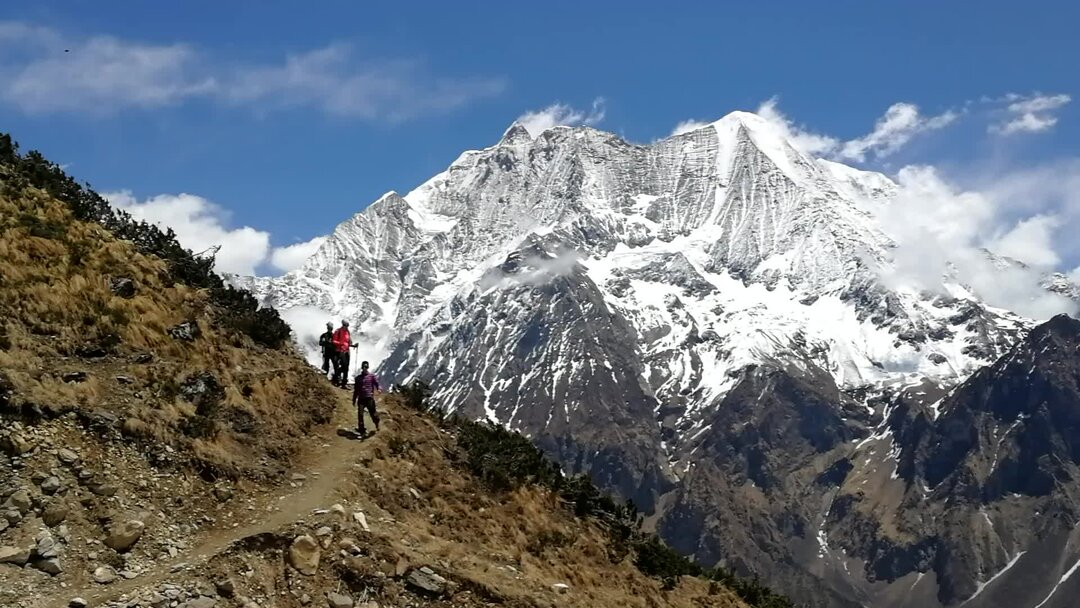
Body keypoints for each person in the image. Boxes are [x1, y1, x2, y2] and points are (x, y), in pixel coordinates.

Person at [352, 360, 381, 436]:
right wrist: (354, 399)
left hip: (369, 398)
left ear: (367, 367)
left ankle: (377, 423)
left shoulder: (371, 377)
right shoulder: (358, 378)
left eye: (366, 367)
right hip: (361, 398)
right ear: (362, 368)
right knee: (360, 414)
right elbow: (356, 390)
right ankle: (361, 430)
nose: (365, 368)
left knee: (373, 413)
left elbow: (376, 383)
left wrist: (379, 388)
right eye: (364, 367)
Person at [331, 320, 356, 388]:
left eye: (347, 325)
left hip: (346, 351)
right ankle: (336, 379)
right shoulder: (338, 331)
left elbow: (349, 342)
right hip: (339, 351)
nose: (346, 327)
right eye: (345, 325)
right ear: (343, 325)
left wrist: (353, 345)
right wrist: (341, 343)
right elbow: (333, 341)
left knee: (346, 367)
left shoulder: (347, 332)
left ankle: (343, 383)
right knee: (342, 366)